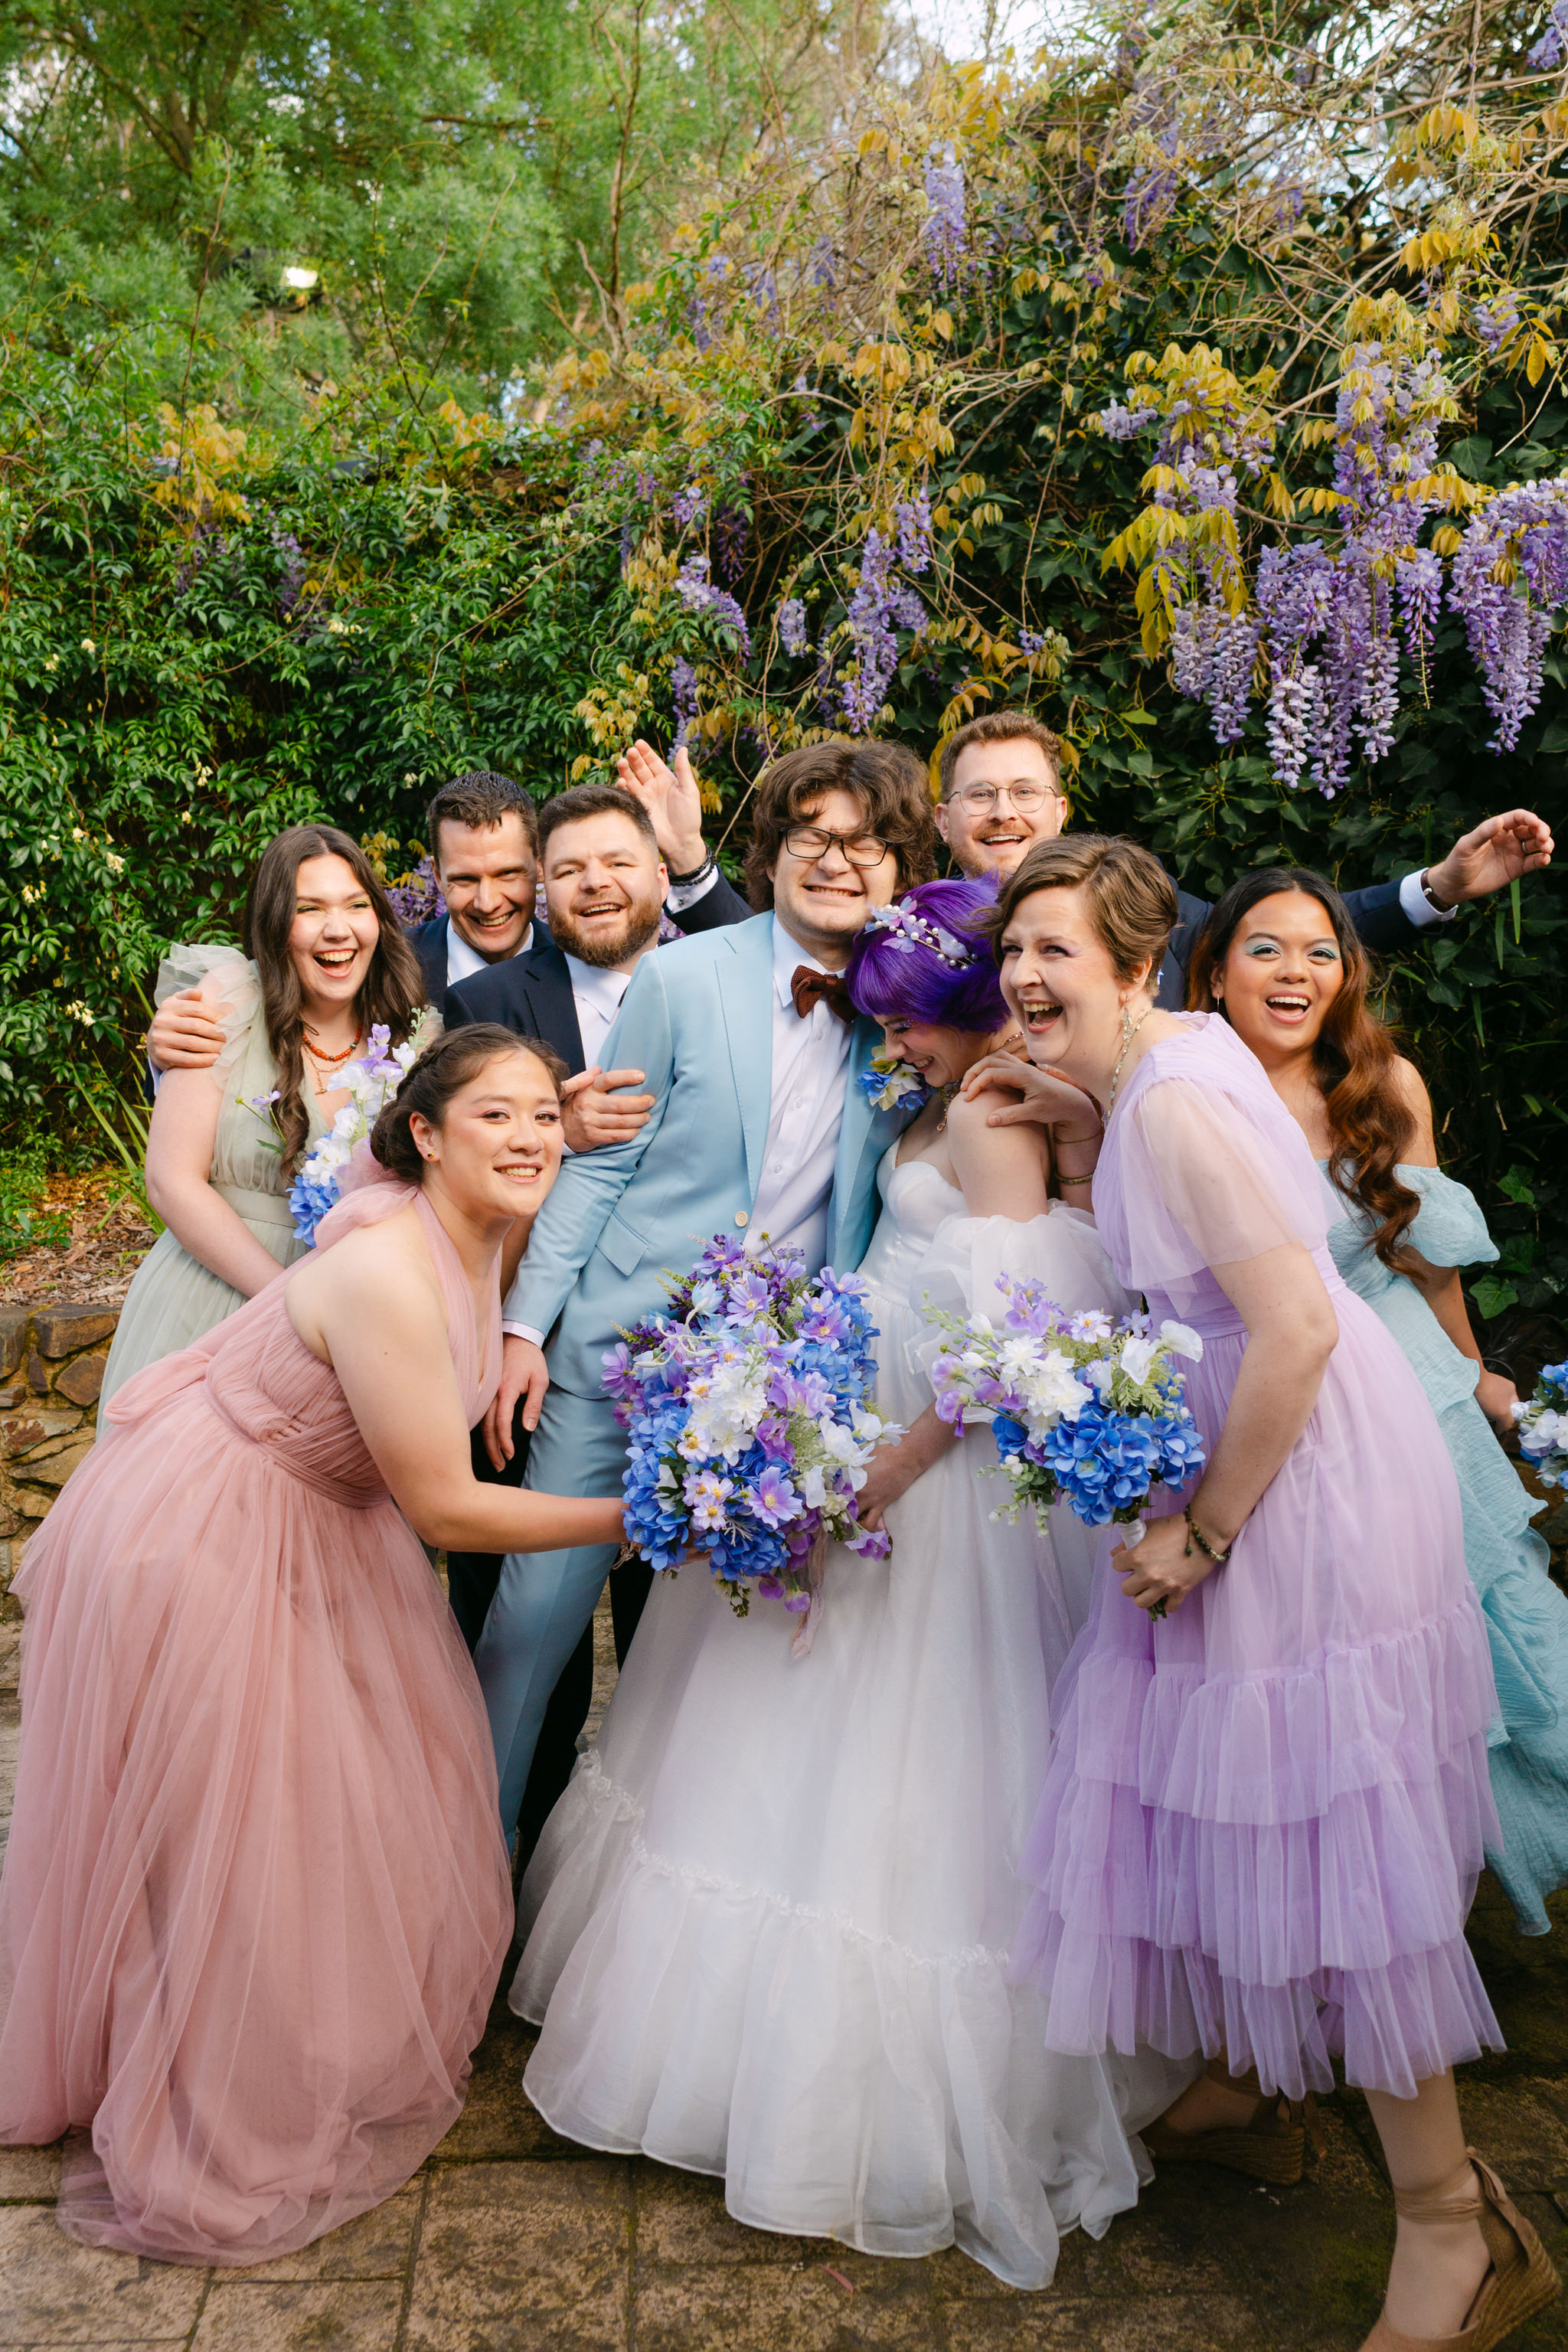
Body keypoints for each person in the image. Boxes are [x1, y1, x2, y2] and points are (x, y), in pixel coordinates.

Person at [514, 880, 1194, 2285]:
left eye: (908, 1024)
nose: (893, 1048)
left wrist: (892, 1462)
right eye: (881, 1024)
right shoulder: (938, 1096)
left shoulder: (993, 1109)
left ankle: (851, 2107)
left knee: (904, 1770)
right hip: (857, 1418)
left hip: (927, 1469)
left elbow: (1021, 1322)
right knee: (762, 1729)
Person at [990, 835, 1558, 2352]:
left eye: (1055, 951)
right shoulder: (1163, 1061)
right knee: (1241, 1798)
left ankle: (1452, 2229)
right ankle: (1251, 2085)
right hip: (1276, 1447)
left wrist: (1204, 1533)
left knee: (1330, 1823)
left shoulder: (1173, 1098)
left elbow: (1295, 1325)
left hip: (1292, 1475)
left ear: (1133, 964)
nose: (1024, 977)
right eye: (1012, 950)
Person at [0, 1025, 628, 2265]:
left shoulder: (473, 1230)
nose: (527, 1140)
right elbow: (446, 1509)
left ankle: (286, 2047)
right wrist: (638, 1516)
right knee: (237, 1827)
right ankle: (209, 2117)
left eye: (541, 1117)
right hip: (208, 1528)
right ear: (425, 1135)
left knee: (352, 1801)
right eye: (493, 1116)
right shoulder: (388, 1268)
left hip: (321, 1519)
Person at [473, 740, 939, 1845]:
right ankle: (463, 1880)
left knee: (717, 1667)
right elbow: (602, 1167)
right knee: (528, 1634)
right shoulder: (682, 978)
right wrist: (523, 1327)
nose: (837, 861)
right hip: (618, 1355)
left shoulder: (908, 1010)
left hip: (777, 1393)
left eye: (866, 843)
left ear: (899, 867)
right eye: (812, 836)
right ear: (772, 852)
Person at [1186, 866, 1568, 1938]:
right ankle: (1343, 1911)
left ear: (1345, 974)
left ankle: (1443, 1910)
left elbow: (1427, 1259)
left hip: (1406, 1389)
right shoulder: (1184, 1090)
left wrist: (1473, 1380)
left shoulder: (1383, 1080)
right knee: (1325, 1664)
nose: (1295, 972)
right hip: (1272, 1399)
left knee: (1478, 1634)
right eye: (1265, 948)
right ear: (1213, 973)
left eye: (1320, 952)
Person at [101, 825, 432, 1406]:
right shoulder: (229, 1000)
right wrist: (288, 1302)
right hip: (215, 1298)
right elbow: (171, 1181)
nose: (338, 929)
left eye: (356, 905)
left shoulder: (415, 1039)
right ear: (275, 921)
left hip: (350, 1319)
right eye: (309, 908)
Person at [925, 707, 1554, 1009]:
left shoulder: (1141, 900)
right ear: (943, 820)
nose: (1003, 812)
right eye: (979, 795)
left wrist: (1440, 887)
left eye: (1025, 792)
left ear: (1060, 811)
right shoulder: (905, 934)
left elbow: (1276, 939)